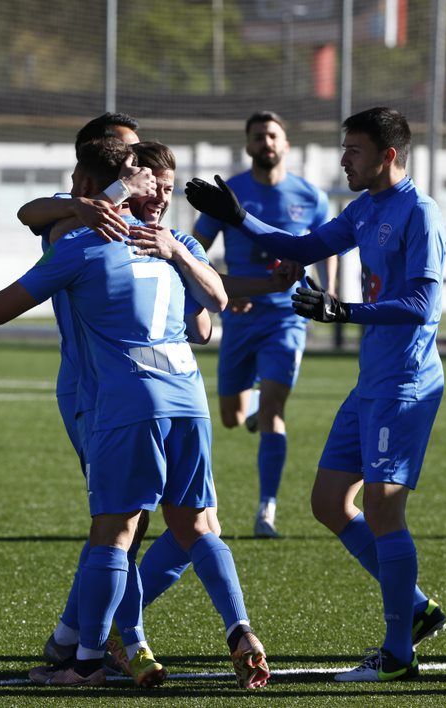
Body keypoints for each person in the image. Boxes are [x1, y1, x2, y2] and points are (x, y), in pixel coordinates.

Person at [0, 137, 271, 690]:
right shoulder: (178, 243)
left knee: (114, 531)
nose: (160, 189)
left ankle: (85, 661)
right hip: (188, 399)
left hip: (129, 402)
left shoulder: (82, 246)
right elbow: (212, 313)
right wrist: (177, 256)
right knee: (198, 526)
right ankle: (240, 630)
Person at [186, 106, 446, 682]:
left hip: (405, 383)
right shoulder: (364, 209)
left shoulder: (418, 213)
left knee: (382, 507)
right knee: (329, 503)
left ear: (388, 156)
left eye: (353, 151)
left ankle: (398, 653)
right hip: (371, 384)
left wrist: (342, 310)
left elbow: (424, 305)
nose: (343, 160)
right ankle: (418, 607)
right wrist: (239, 217)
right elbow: (303, 247)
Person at [193, 111, 332, 538]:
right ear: (248, 145)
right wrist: (222, 291)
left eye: (273, 135)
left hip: (287, 316)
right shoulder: (229, 193)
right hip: (240, 316)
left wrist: (329, 294)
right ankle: (250, 409)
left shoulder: (311, 196)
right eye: (258, 137)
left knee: (274, 409)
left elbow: (328, 248)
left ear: (285, 143)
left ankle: (266, 511)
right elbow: (196, 248)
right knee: (233, 416)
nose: (266, 142)